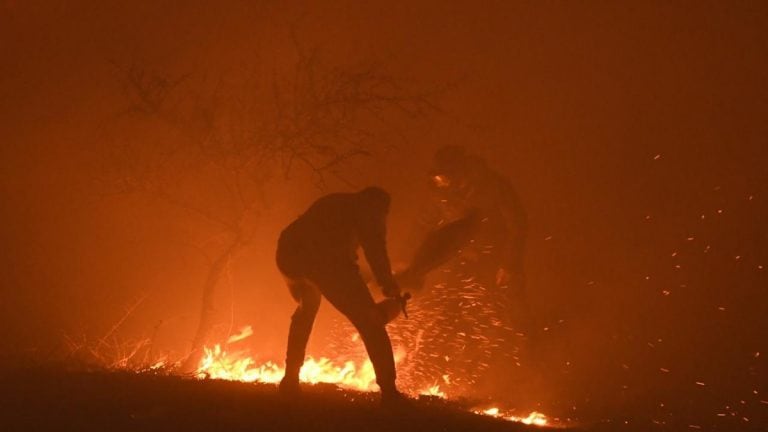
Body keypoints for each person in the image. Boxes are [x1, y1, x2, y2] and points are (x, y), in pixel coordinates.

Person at [276, 186, 405, 404]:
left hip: (290, 255)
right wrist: (388, 284)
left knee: (307, 307)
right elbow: (373, 247)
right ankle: (390, 393)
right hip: (323, 261)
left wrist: (365, 278)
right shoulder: (369, 209)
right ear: (380, 207)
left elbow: (338, 253)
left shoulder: (337, 202)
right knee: (370, 321)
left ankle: (289, 380)